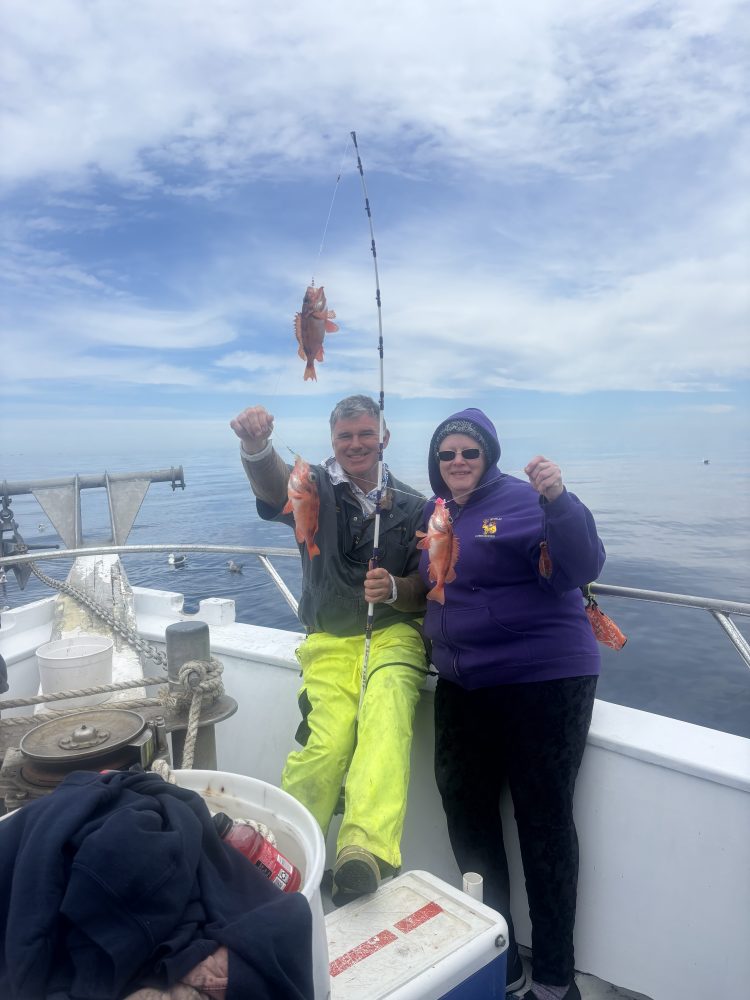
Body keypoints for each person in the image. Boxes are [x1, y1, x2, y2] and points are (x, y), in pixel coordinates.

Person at [419, 408, 605, 1000]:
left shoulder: (527, 502)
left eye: (469, 453)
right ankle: (498, 962)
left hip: (542, 682)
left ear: (489, 457)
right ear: (435, 463)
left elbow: (580, 567)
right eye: (446, 454)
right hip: (463, 685)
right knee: (466, 816)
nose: (457, 462)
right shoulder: (436, 513)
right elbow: (429, 583)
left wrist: (560, 500)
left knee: (543, 823)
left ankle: (554, 978)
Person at [230, 395, 428, 904]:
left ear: (384, 438)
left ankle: (365, 849)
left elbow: (426, 588)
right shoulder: (311, 484)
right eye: (345, 436)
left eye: (366, 434)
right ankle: (292, 850)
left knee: (386, 721)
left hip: (392, 634)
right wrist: (257, 449)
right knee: (327, 744)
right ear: (332, 441)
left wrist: (396, 589)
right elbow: (275, 488)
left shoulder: (414, 505)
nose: (356, 444)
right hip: (328, 639)